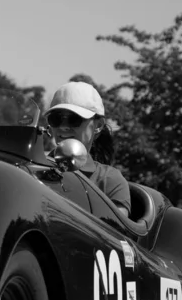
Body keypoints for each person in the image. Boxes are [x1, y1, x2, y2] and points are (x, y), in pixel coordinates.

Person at [45, 81, 131, 216]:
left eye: (74, 119)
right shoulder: (34, 166)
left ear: (98, 125)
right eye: (56, 119)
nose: (63, 127)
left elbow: (113, 232)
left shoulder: (109, 179)